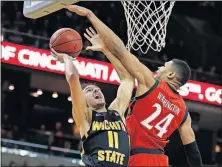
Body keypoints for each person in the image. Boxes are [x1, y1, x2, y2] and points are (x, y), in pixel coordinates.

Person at [66, 5, 202, 167]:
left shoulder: (151, 84)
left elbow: (121, 51)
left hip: (136, 157)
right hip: (160, 160)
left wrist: (92, 17)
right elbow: (193, 151)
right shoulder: (183, 111)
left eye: (163, 67)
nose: (158, 69)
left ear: (171, 74)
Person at [50, 27, 134, 166]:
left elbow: (127, 79)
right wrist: (66, 58)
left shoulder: (117, 112)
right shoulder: (85, 117)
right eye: (89, 90)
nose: (96, 91)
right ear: (83, 101)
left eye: (97, 89)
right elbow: (72, 77)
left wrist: (104, 50)